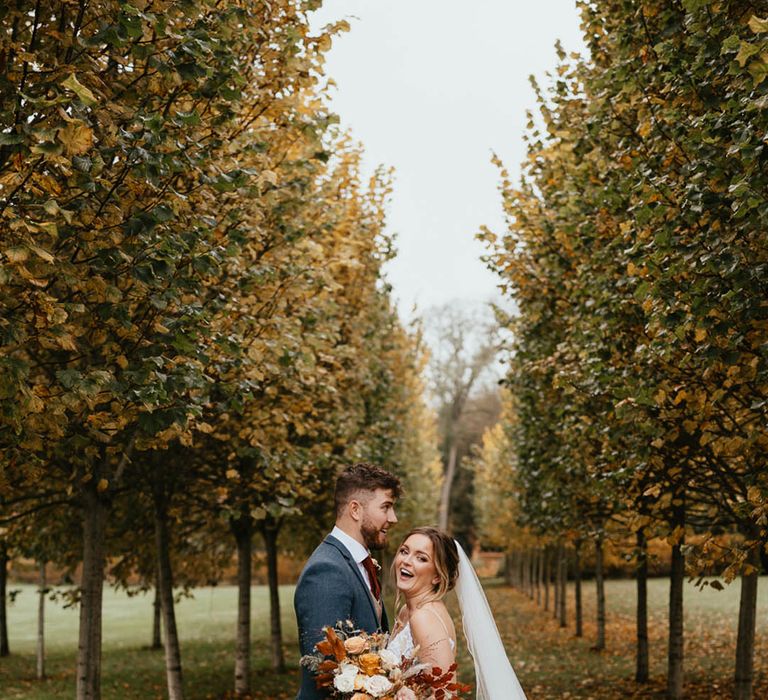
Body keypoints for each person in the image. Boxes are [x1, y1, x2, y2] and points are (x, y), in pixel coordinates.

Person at [294, 462, 401, 700]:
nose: (393, 518)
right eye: (386, 507)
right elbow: (325, 672)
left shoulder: (359, 563)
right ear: (355, 510)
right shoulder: (326, 571)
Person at [388, 527, 527, 700]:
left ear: (437, 576)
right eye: (404, 551)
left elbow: (446, 694)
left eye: (421, 558)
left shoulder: (424, 618)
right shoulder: (407, 611)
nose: (407, 561)